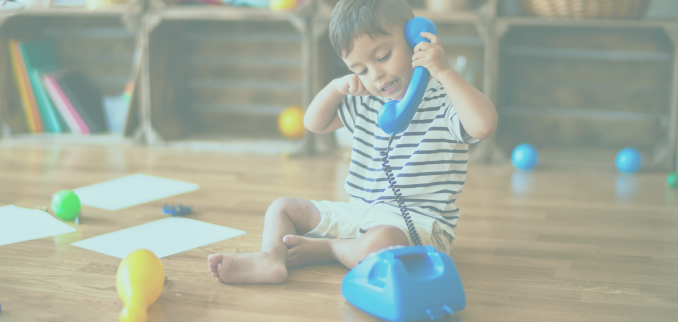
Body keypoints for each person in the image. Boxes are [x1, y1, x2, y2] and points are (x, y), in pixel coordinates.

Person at [207, 0, 498, 284]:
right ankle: (270, 257)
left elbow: (484, 126)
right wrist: (335, 89)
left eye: (383, 56)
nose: (376, 75)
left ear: (416, 38)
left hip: (416, 225)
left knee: (383, 241)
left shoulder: (446, 98)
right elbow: (314, 123)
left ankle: (331, 248)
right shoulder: (369, 101)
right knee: (281, 208)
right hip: (360, 212)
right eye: (360, 69)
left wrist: (445, 72)